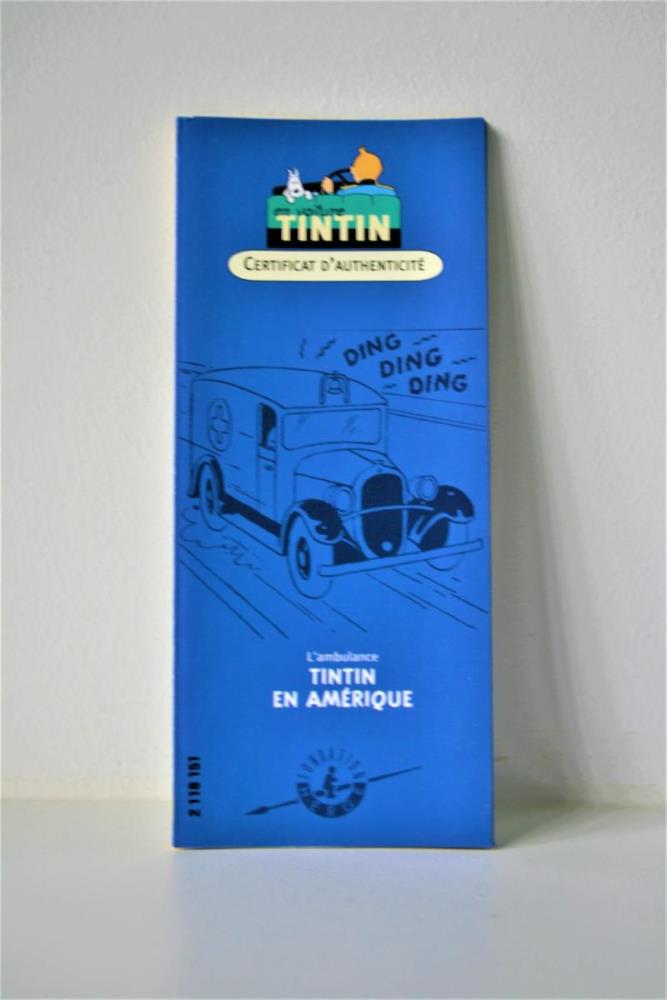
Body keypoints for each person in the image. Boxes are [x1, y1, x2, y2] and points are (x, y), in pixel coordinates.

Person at [321, 147, 397, 196]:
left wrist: (329, 192)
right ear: (380, 170)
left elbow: (335, 209)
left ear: (353, 170)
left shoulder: (345, 193)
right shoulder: (390, 194)